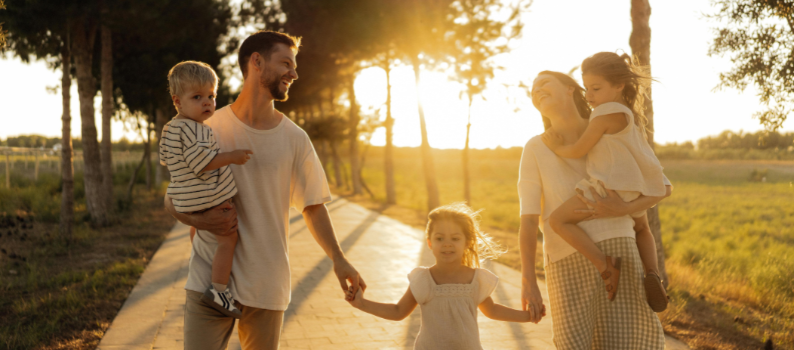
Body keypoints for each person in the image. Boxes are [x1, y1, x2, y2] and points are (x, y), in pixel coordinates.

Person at [164, 30, 365, 350]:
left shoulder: (295, 138)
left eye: (294, 65)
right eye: (286, 62)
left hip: (267, 285)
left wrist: (338, 259)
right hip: (208, 283)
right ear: (256, 62)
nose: (294, 73)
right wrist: (202, 223)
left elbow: (313, 205)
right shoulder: (206, 127)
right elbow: (173, 196)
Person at [519, 70, 672, 349]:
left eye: (544, 82)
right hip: (566, 261)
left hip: (622, 252)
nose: (536, 90)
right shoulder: (535, 148)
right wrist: (528, 281)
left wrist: (652, 273)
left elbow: (642, 223)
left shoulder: (609, 130)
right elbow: (528, 221)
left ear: (570, 89)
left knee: (632, 344)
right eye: (533, 90)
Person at [539, 52, 668, 311]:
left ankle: (605, 266)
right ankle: (653, 272)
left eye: (596, 89)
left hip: (607, 188)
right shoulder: (630, 117)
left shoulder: (604, 113)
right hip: (634, 189)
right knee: (642, 229)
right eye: (587, 89)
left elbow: (579, 149)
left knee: (557, 220)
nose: (589, 96)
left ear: (619, 85)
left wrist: (557, 147)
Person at [345, 203, 536, 350]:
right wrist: (361, 303)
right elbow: (398, 311)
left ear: (467, 242)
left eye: (455, 238)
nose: (447, 244)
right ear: (429, 243)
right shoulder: (423, 279)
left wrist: (527, 316)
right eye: (439, 238)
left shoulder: (476, 279)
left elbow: (492, 310)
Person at [159, 61, 253, 319]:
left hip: (187, 198)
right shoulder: (197, 130)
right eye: (197, 97)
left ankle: (202, 259)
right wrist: (231, 156)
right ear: (177, 101)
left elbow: (167, 160)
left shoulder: (170, 128)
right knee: (227, 239)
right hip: (209, 197)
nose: (207, 103)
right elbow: (203, 163)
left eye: (211, 95)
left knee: (199, 230)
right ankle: (219, 290)